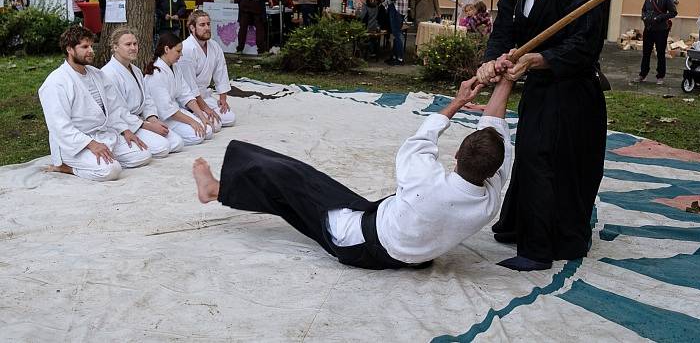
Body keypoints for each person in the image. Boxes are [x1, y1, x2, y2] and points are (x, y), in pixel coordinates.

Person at [193, 75, 513, 270]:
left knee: (291, 177)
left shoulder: (425, 180)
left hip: (360, 243)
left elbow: (425, 135)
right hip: (410, 250)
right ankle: (220, 190)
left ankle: (216, 190)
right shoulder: (489, 203)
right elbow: (495, 128)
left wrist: (458, 101)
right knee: (296, 199)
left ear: (456, 155)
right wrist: (507, 80)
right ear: (494, 172)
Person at [476, 0, 607, 271]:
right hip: (539, 91)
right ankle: (521, 227)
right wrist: (492, 61)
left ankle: (541, 248)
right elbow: (502, 33)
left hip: (574, 92)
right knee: (533, 156)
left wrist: (541, 58)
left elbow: (585, 44)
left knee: (555, 162)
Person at [38, 25, 152, 181]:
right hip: (74, 144)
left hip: (103, 135)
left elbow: (113, 108)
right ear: (69, 49)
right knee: (111, 170)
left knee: (143, 155)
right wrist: (90, 144)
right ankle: (66, 167)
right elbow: (59, 126)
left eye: (91, 46)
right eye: (85, 47)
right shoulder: (56, 83)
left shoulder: (97, 74)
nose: (91, 50)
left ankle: (102, 159)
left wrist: (125, 130)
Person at [101, 27, 184, 158]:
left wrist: (153, 119)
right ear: (115, 47)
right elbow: (117, 111)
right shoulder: (108, 74)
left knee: (177, 143)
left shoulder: (136, 70)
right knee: (163, 147)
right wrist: (148, 126)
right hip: (125, 125)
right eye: (128, 44)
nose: (133, 48)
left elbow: (147, 99)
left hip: (141, 120)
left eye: (135, 44)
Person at [143, 32, 214, 145]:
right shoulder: (155, 74)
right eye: (178, 51)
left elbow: (186, 95)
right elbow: (166, 109)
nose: (181, 55)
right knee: (198, 136)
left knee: (209, 129)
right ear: (167, 49)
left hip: (176, 111)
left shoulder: (175, 68)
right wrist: (192, 122)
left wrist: (201, 116)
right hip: (165, 117)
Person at [179, 9, 236, 129]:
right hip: (188, 100)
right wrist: (205, 108)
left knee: (230, 118)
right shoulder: (187, 49)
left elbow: (221, 72)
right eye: (202, 25)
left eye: (208, 24)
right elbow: (189, 86)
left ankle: (201, 114)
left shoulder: (214, 46)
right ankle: (193, 114)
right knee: (215, 125)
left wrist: (223, 98)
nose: (207, 28)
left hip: (204, 95)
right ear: (192, 28)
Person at [633, 0, 678, 86]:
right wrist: (643, 17)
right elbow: (643, 10)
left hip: (661, 30)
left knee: (660, 53)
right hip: (649, 29)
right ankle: (642, 74)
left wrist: (660, 18)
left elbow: (673, 12)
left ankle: (660, 76)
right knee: (646, 53)